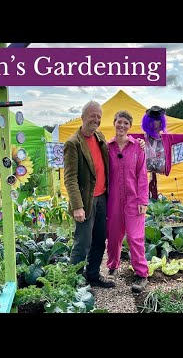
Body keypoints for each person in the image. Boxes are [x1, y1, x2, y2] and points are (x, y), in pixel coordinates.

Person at [63, 100, 115, 288]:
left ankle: (92, 274)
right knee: (82, 243)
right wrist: (77, 206)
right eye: (93, 115)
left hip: (102, 198)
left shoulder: (99, 136)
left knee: (100, 240)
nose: (96, 119)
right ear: (83, 117)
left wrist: (140, 143)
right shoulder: (73, 143)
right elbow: (70, 178)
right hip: (85, 201)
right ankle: (73, 283)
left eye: (99, 116)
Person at [106, 110, 149, 293]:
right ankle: (112, 266)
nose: (122, 126)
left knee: (135, 237)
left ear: (130, 127)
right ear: (114, 123)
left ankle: (141, 274)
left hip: (134, 199)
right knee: (114, 236)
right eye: (119, 122)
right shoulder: (107, 147)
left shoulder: (138, 147)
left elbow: (142, 174)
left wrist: (143, 199)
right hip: (113, 199)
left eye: (126, 123)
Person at [130, 106, 183, 199]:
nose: (155, 124)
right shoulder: (141, 137)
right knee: (145, 191)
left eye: (157, 120)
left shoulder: (167, 138)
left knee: (153, 190)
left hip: (160, 168)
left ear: (161, 122)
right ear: (147, 122)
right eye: (152, 121)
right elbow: (126, 138)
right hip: (144, 170)